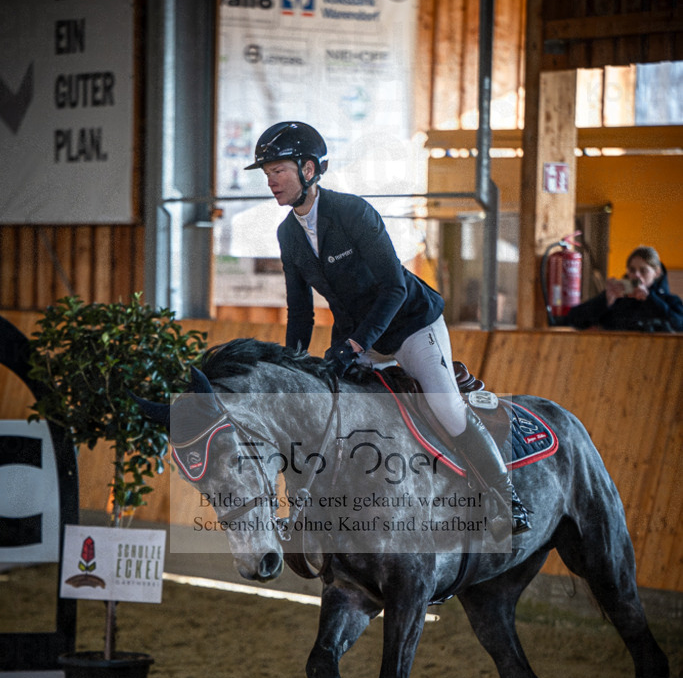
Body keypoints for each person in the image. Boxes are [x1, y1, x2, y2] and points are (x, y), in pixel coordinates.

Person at [245, 120, 531, 536]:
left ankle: (506, 499)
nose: (271, 182)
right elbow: (300, 311)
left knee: (446, 406)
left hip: (411, 323)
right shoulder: (288, 233)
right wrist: (293, 365)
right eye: (267, 174)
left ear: (308, 170)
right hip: (356, 334)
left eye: (278, 171)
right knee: (333, 414)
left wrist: (354, 345)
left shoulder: (353, 213)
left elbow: (394, 287)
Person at [555, 247, 683, 332]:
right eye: (632, 270)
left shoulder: (670, 301)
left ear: (657, 272)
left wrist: (650, 300)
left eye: (643, 271)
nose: (636, 275)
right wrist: (605, 301)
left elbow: (678, 325)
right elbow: (573, 320)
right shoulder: (617, 299)